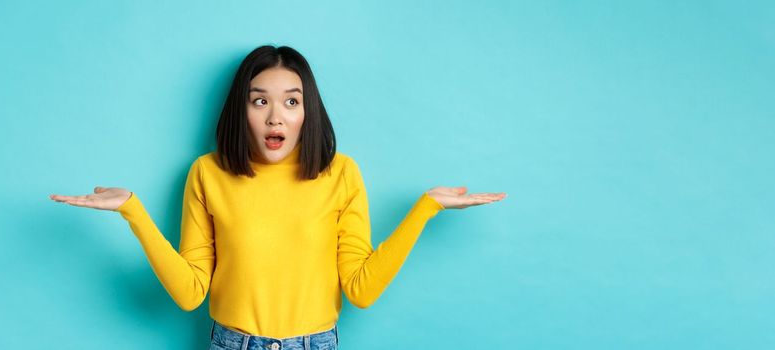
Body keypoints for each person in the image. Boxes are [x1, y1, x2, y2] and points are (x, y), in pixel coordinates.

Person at [49, 45, 506, 350]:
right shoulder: (207, 174)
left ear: (308, 111)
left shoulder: (341, 174)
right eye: (259, 100)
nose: (275, 117)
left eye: (291, 101)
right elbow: (191, 294)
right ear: (241, 109)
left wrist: (425, 209)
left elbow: (362, 290)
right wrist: (133, 211)